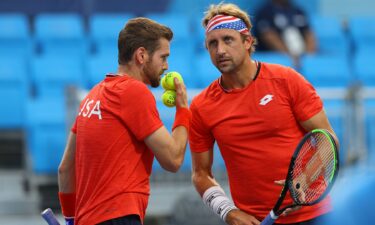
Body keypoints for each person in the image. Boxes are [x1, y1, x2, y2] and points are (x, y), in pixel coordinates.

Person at [189, 3, 338, 225]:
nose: (220, 50)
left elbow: (327, 138)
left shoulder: (288, 80)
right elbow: (201, 174)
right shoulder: (201, 106)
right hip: (255, 220)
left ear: (248, 41)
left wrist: (306, 178)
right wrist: (228, 212)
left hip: (314, 216)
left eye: (228, 40)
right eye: (213, 43)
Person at [58, 17, 191, 225]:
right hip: (118, 218)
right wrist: (183, 108)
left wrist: (69, 219)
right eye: (163, 57)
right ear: (141, 55)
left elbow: (65, 168)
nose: (166, 66)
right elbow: (173, 159)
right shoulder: (135, 91)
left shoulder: (92, 96)